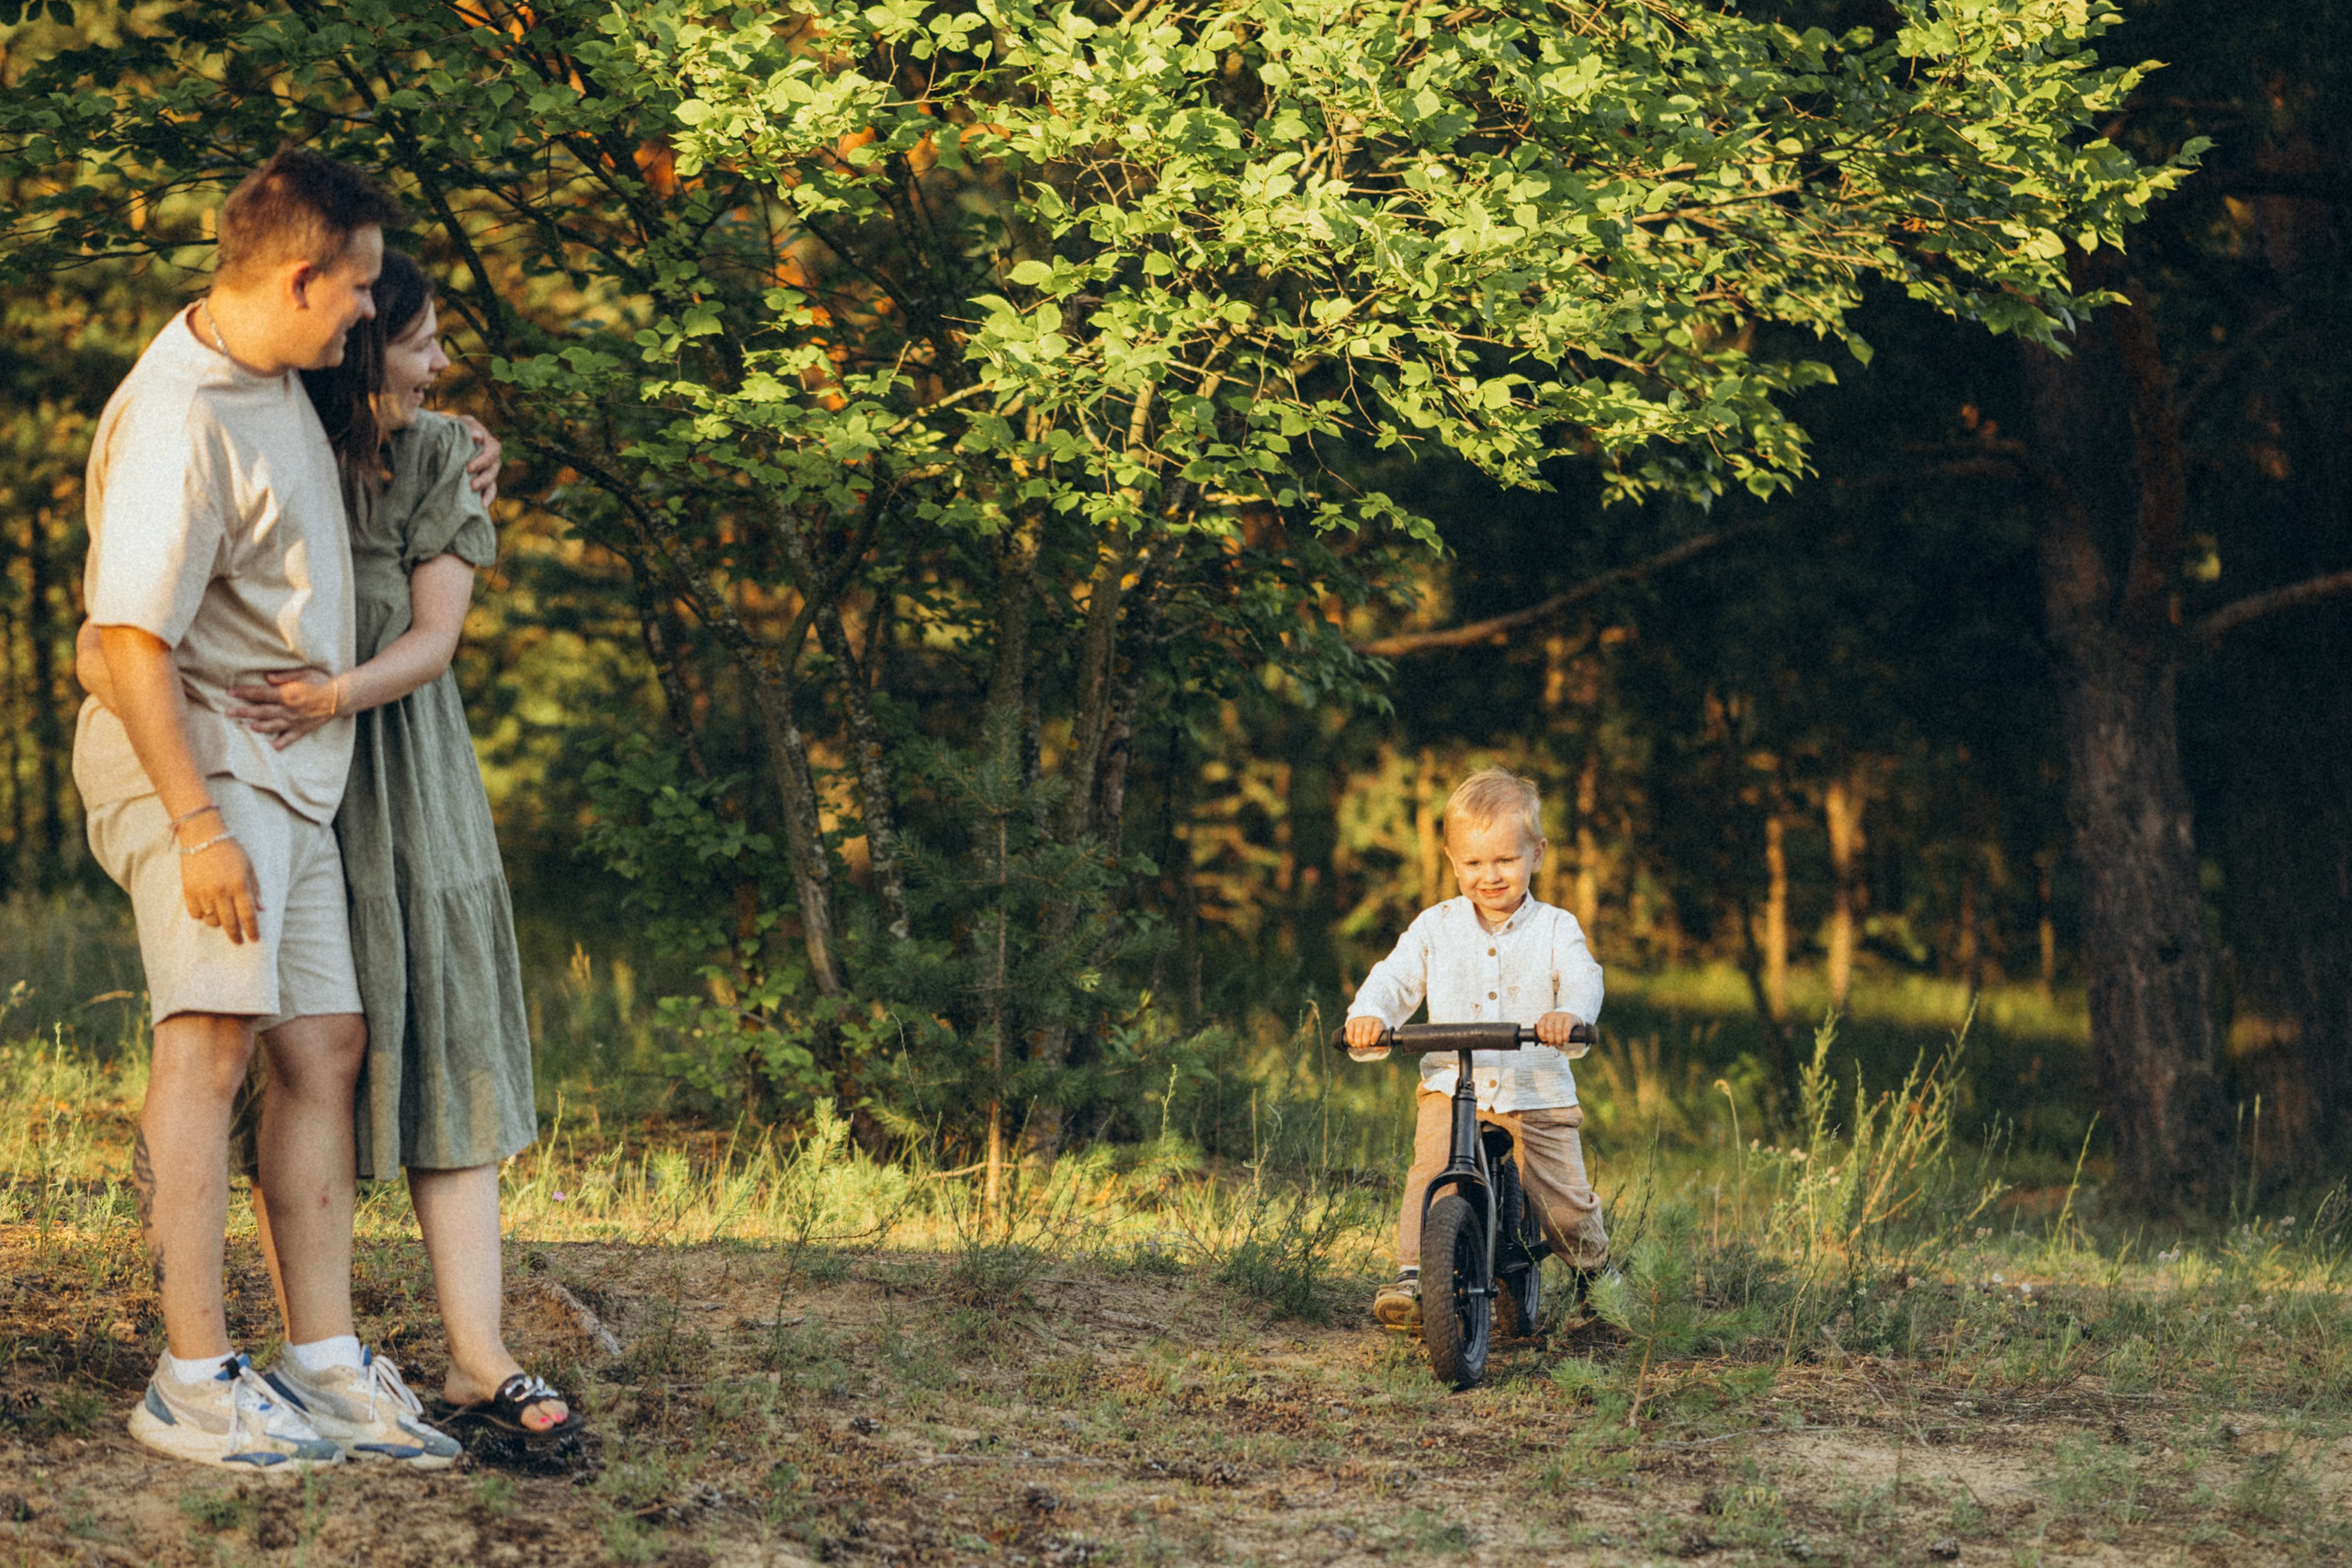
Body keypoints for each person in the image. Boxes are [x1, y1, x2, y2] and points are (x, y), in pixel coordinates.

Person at [72, 148, 459, 1470]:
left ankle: (323, 1358)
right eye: (356, 288)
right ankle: (192, 1377)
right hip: (201, 769)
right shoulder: (183, 414)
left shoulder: (279, 374)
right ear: (299, 277)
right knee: (212, 1045)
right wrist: (196, 825)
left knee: (326, 1045)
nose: (369, 310)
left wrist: (455, 442)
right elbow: (125, 641)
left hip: (283, 773)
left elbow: (368, 443)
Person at [228, 248, 580, 1450]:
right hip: (284, 784)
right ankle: (311, 1350)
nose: (443, 361)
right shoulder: (265, 442)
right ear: (358, 342)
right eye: (425, 339)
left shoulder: (437, 457)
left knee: (448, 1054)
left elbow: (434, 640)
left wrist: (333, 695)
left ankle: (480, 1360)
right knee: (298, 1061)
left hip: (408, 783)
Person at [1342, 766, 1610, 1328]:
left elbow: (1584, 977)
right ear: (1451, 860)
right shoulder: (1434, 928)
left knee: (1562, 1203)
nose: (1490, 876)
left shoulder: (1556, 928)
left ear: (1536, 854)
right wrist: (1369, 1016)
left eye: (1505, 861)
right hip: (1452, 1088)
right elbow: (1394, 978)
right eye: (1473, 863)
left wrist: (1571, 1015)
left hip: (1535, 1090)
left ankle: (1596, 1277)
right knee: (1431, 1172)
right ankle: (1417, 1280)